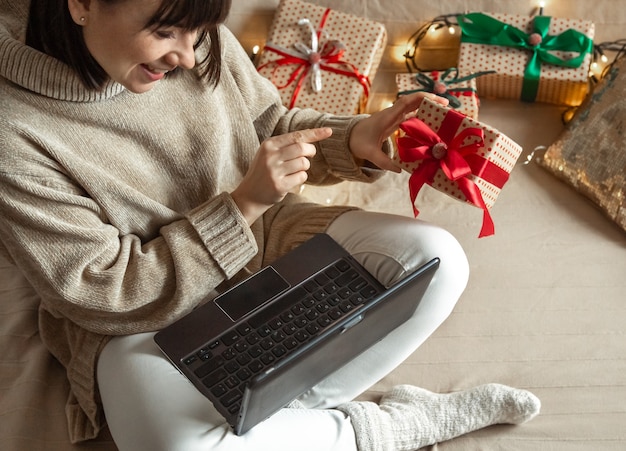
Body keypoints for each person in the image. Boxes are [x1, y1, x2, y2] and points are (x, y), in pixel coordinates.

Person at [0, 0, 540, 450]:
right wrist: (240, 207)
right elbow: (101, 290)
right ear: (81, 3)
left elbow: (269, 129)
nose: (188, 57)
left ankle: (267, 426)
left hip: (269, 243)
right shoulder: (14, 129)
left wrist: (355, 138)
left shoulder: (189, 23)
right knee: (178, 446)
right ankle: (390, 428)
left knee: (437, 261)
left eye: (199, 33)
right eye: (164, 32)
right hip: (141, 328)